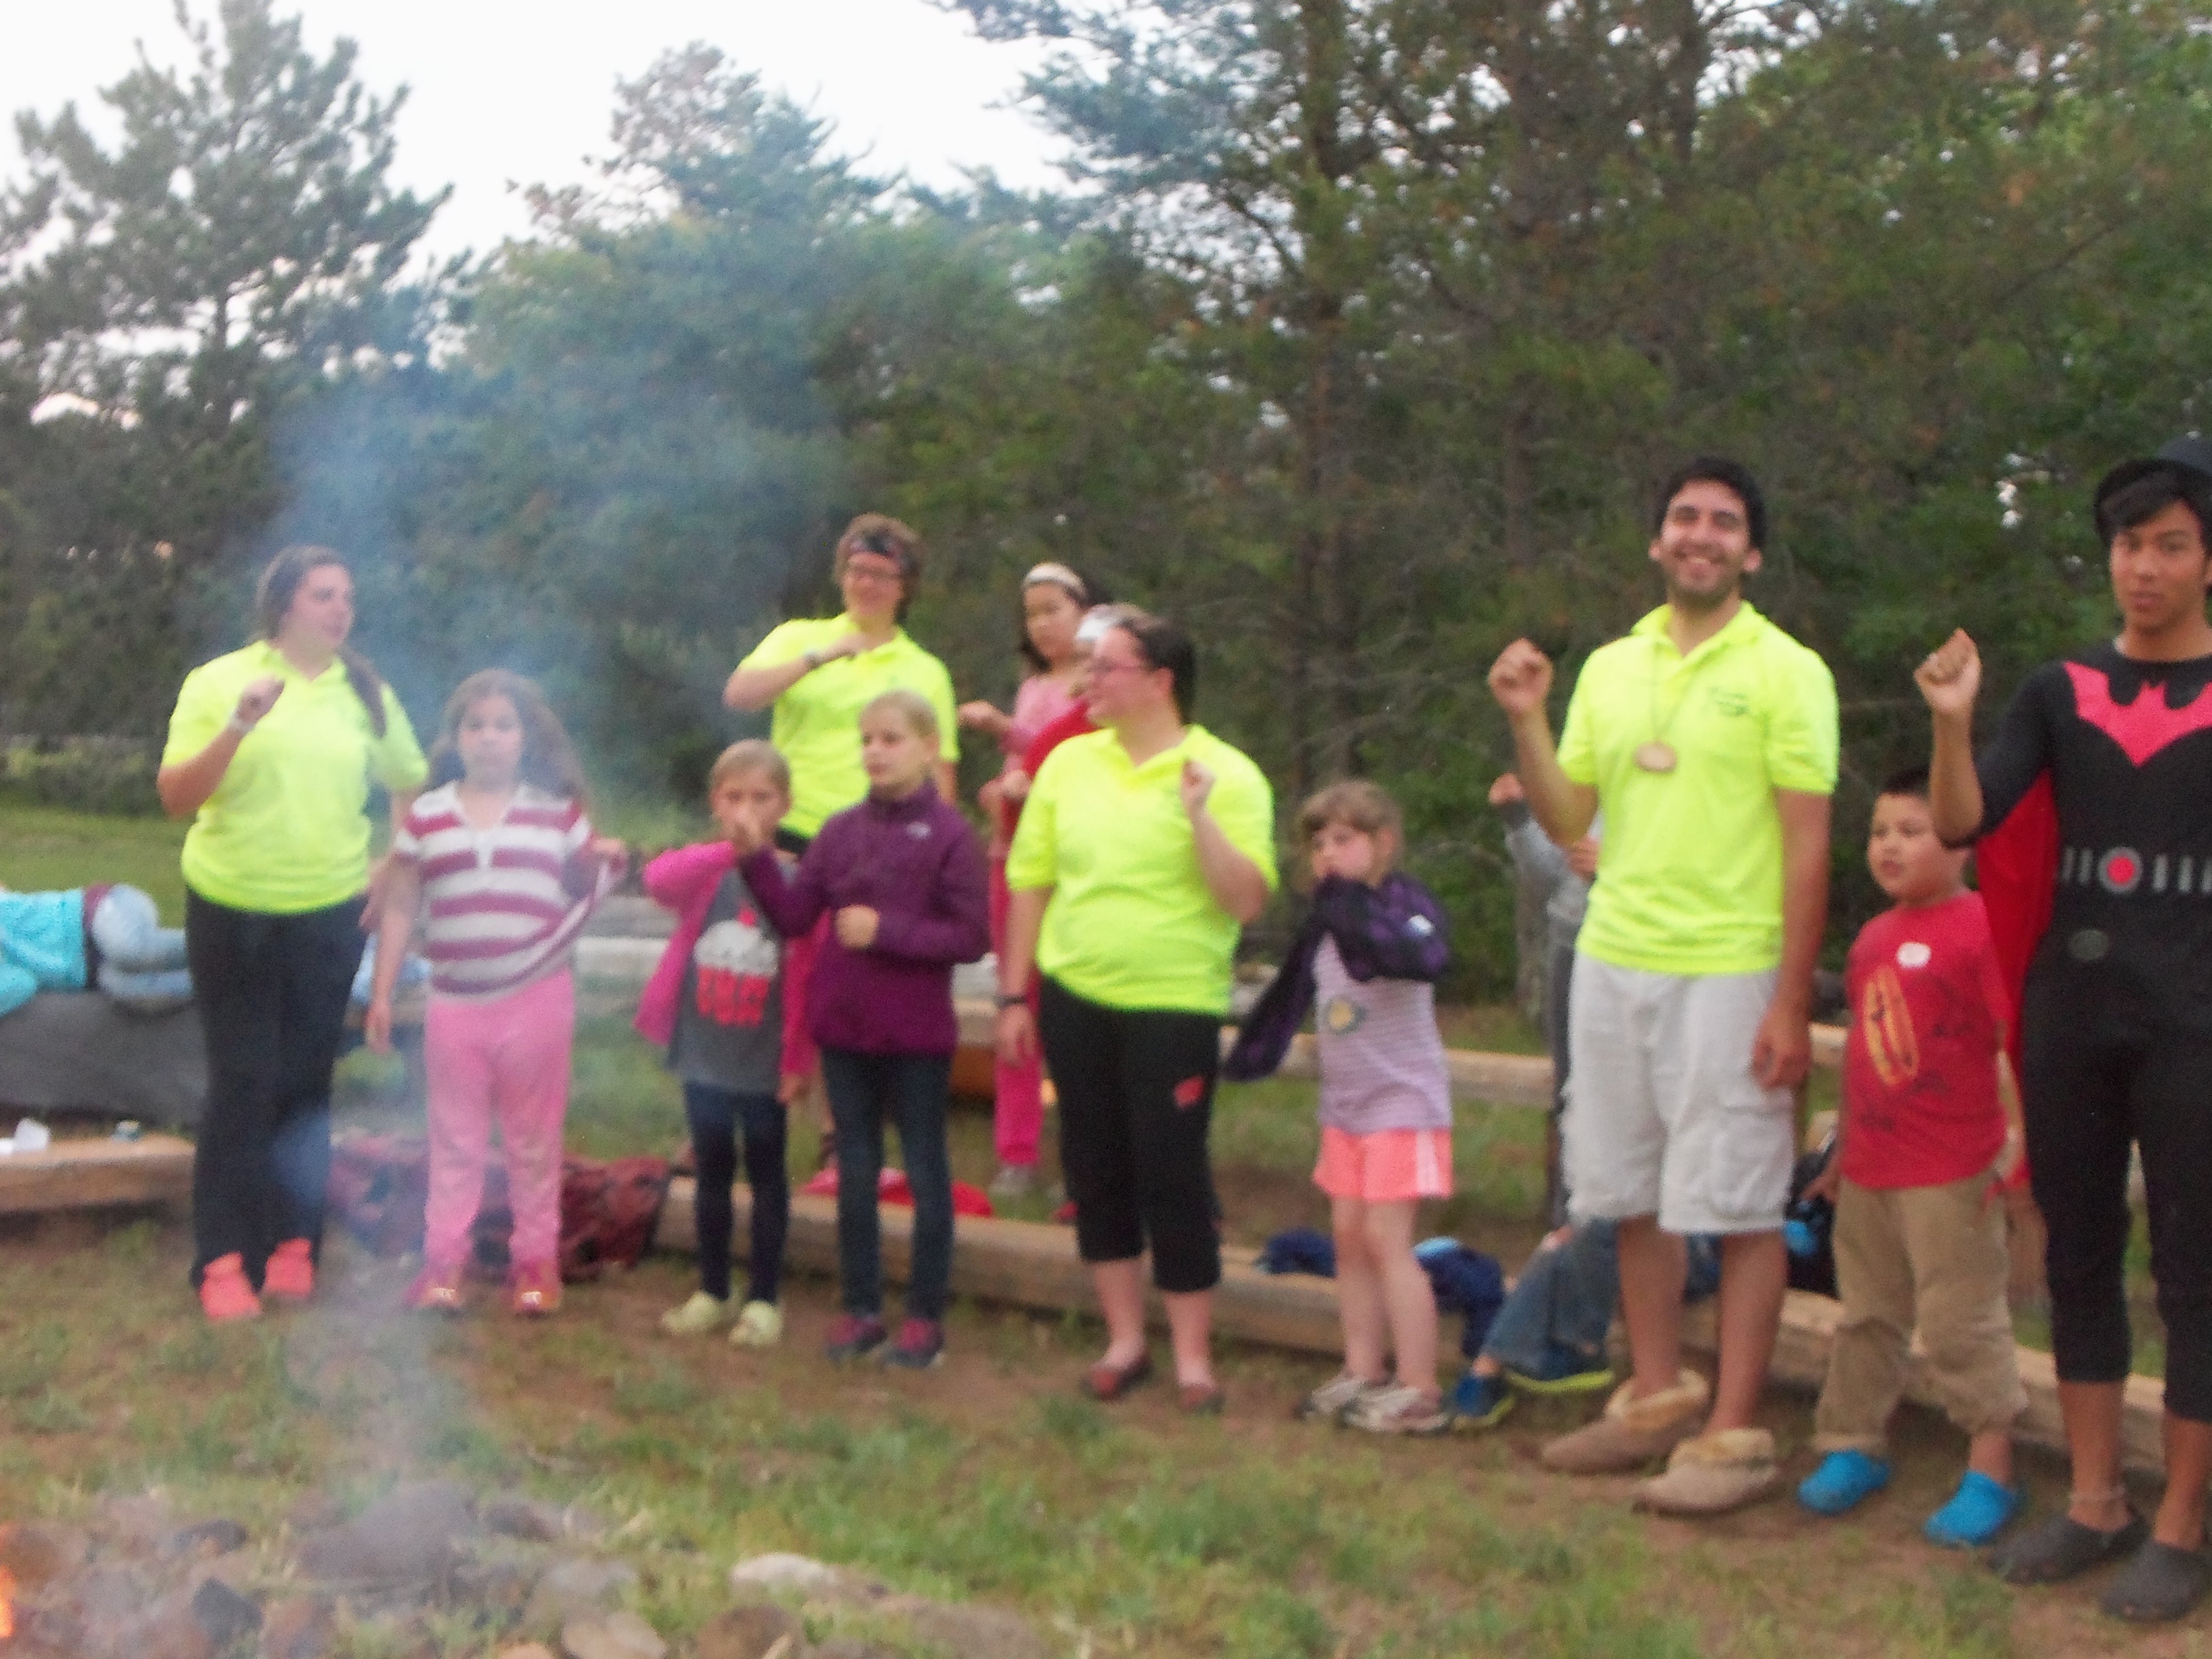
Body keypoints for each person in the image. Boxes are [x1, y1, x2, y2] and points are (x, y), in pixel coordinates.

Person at [1487, 457, 1837, 1515]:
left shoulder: (1786, 672)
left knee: (1737, 1205)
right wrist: (1526, 718)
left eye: (1723, 522)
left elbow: (1806, 846)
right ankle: (1652, 1399)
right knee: (1626, 1194)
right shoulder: (1611, 665)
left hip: (1729, 969)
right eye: (1683, 517)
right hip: (1612, 961)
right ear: (1655, 540)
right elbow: (1566, 819)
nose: (1700, 535)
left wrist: (1788, 1002)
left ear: (1751, 553)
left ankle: (1730, 1433)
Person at [1917, 436, 2212, 1620]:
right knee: (2078, 1257)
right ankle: (2095, 1502)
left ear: (2207, 560)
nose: (2142, 567)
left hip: (2193, 1023)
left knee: (2192, 1273)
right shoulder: (2058, 691)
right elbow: (1961, 822)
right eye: (2127, 545)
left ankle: (2180, 1524)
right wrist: (1950, 723)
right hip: (2070, 1014)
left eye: (2169, 546)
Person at [999, 613, 1277, 1414]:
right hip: (1076, 995)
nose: (1087, 681)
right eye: (1086, 667)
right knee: (1095, 1167)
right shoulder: (1068, 764)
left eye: (1106, 668)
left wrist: (1199, 816)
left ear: (1160, 682)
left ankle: (1194, 1358)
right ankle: (1124, 1341)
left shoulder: (1227, 774)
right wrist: (1015, 995)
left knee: (1172, 1170)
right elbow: (1030, 881)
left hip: (1173, 1003)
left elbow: (1246, 900)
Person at [157, 545, 428, 1322]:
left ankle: (294, 1242)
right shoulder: (219, 682)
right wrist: (239, 726)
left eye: (347, 597)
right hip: (231, 906)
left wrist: (393, 862)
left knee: (306, 1083)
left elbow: (410, 781)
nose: (342, 610)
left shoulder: (366, 693)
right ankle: (222, 1257)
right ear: (284, 605)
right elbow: (176, 796)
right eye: (323, 595)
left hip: (330, 912)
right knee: (242, 1081)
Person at [1794, 766, 2027, 1546]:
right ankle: (1854, 1443)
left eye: (1911, 831)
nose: (1890, 847)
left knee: (1961, 1320)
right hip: (1871, 1170)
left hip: (1951, 1170)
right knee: (1867, 1314)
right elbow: (1864, 1050)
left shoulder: (1984, 928)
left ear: (1960, 843)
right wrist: (1841, 1152)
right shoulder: (1872, 939)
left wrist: (2020, 1147)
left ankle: (1992, 1465)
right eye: (1879, 832)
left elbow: (2014, 1041)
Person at [736, 690, 989, 1371]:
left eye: (891, 739)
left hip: (916, 1037)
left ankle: (925, 1319)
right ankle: (861, 1307)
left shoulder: (951, 835)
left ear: (929, 749)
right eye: (867, 739)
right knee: (853, 1171)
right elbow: (794, 917)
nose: (875, 751)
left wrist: (888, 931)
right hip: (843, 1028)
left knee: (926, 1172)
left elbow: (972, 937)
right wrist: (757, 859)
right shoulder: (840, 830)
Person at [367, 671, 623, 1317]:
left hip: (536, 998)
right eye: (475, 726)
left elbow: (584, 884)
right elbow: (400, 905)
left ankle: (535, 1261)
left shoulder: (556, 813)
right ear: (455, 739)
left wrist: (605, 860)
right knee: (455, 1137)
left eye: (504, 726)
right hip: (455, 1002)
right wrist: (383, 990)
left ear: (526, 738)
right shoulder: (428, 815)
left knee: (533, 1138)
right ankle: (443, 1262)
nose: (489, 738)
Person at [723, 515, 961, 1165]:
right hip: (786, 829)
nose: (867, 584)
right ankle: (731, 1110)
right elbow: (739, 695)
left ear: (905, 586)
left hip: (871, 842)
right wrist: (818, 658)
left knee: (841, 986)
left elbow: (940, 770)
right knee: (753, 975)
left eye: (882, 575)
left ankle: (838, 1132)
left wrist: (939, 857)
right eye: (857, 571)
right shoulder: (799, 637)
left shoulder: (924, 670)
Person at [1226, 779, 1455, 1433]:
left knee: (1387, 1240)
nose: (1328, 853)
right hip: (1346, 1107)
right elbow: (1288, 999)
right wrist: (1247, 1058)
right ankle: (1363, 1367)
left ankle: (1419, 1388)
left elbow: (1419, 957)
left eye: (1344, 840)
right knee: (1349, 1240)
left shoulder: (1401, 909)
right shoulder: (1325, 923)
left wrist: (1352, 906)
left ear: (1382, 843)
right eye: (1319, 843)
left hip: (1402, 1104)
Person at [640, 741, 800, 1348]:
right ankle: (713, 1287)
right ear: (715, 803)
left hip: (764, 1056)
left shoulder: (793, 878)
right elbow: (657, 881)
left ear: (784, 805)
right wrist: (730, 849)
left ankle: (764, 1296)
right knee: (711, 1167)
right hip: (704, 1050)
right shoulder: (707, 873)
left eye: (761, 798)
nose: (746, 810)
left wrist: (798, 1059)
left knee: (766, 1171)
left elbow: (806, 970)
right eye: (734, 797)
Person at [957, 562, 1109, 1199]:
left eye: (1054, 609)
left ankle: (1082, 1153)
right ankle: (1016, 1150)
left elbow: (1062, 751)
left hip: (1072, 860)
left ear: (1086, 611)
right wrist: (1000, 790)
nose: (1042, 625)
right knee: (1015, 997)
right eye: (1032, 614)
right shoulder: (1032, 685)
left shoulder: (1101, 686)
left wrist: (1003, 732)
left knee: (1076, 1010)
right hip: (1013, 853)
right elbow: (1025, 764)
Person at [1449, 1221, 1721, 1428]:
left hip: (1701, 1247)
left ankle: (1497, 1366)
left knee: (1595, 1228)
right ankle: (1498, 1364)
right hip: (1651, 1238)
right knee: (1572, 1235)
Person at [1491, 771, 1600, 1226]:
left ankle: (1618, 1226)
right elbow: (1549, 876)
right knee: (1570, 1089)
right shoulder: (1587, 789)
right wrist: (1517, 817)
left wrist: (1617, 871)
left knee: (1624, 1096)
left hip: (1645, 955)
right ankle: (1567, 1220)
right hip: (1571, 945)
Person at [0, 883, 193, 1015]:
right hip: (96, 969)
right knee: (135, 993)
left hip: (98, 912)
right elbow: (24, 983)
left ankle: (210, 944)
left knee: (128, 951)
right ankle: (211, 980)